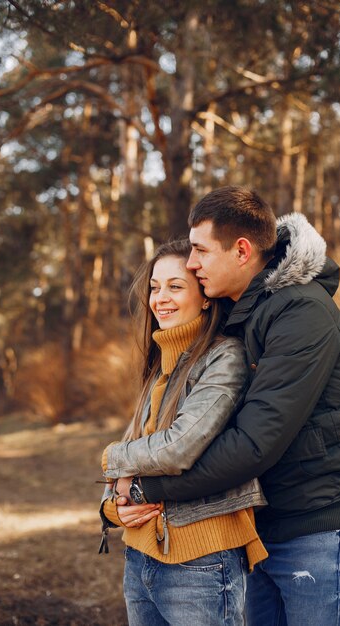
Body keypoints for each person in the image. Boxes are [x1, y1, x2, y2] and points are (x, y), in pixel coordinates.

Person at [109, 187, 340, 626]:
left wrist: (146, 490)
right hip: (263, 522)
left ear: (241, 250)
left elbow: (254, 443)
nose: (193, 263)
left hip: (321, 524)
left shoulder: (302, 315)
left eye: (199, 251)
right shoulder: (243, 313)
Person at [99, 239, 268, 626]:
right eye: (155, 288)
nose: (160, 298)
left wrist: (110, 459)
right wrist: (113, 509)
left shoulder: (224, 359)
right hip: (140, 556)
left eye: (175, 286)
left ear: (205, 297)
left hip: (201, 560)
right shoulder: (160, 364)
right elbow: (135, 445)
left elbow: (178, 447)